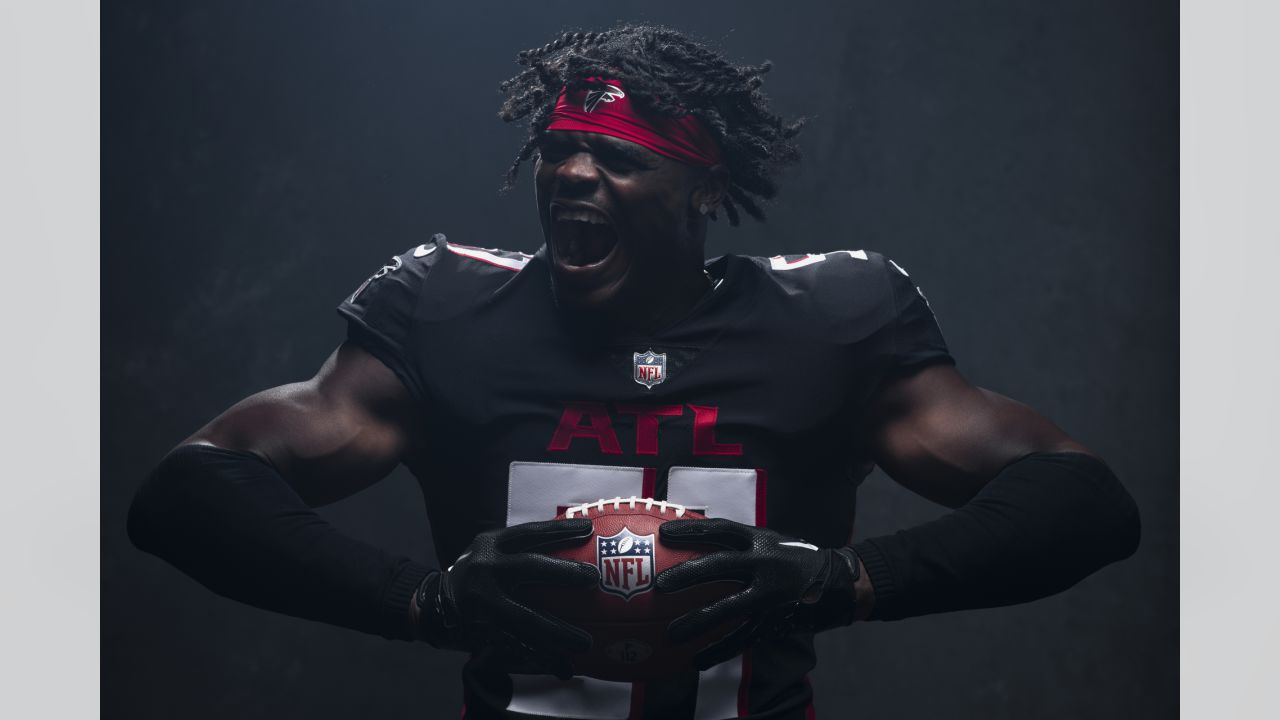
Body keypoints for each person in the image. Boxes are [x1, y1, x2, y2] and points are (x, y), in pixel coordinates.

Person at [127, 23, 1140, 720]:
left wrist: (848, 583)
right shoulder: (445, 309)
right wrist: (422, 602)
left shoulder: (829, 319)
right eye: (559, 150)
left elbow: (1079, 502)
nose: (572, 174)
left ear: (700, 190)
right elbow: (191, 493)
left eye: (616, 159)